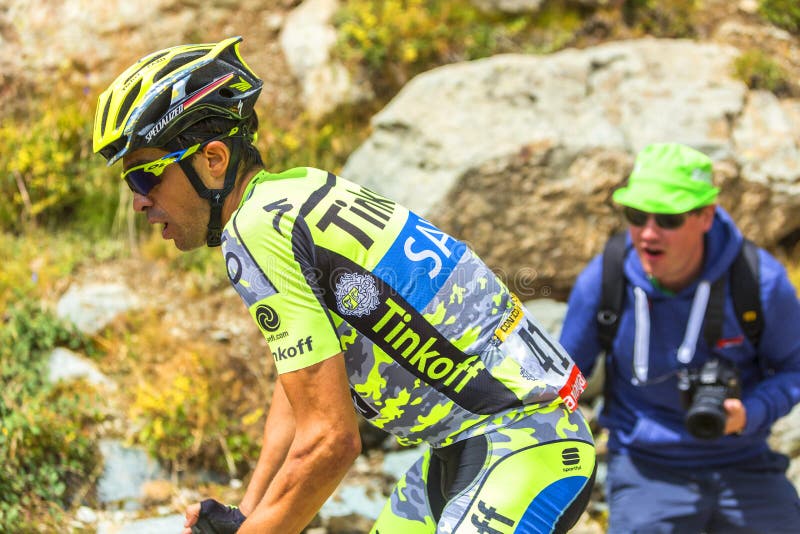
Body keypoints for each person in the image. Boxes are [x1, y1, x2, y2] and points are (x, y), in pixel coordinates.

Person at [92, 36, 596, 534]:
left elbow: (331, 440)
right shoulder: (299, 190)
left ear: (213, 160)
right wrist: (251, 512)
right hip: (464, 451)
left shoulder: (255, 230)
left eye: (145, 178)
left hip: (517, 447)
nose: (139, 202)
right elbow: (300, 384)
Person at [559, 142, 800, 533]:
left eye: (668, 219)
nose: (648, 233)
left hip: (745, 461)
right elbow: (561, 380)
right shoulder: (605, 280)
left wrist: (750, 413)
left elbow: (794, 369)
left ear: (706, 215)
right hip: (645, 467)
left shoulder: (760, 282)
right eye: (636, 215)